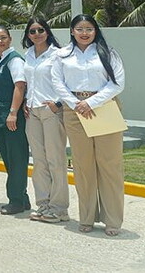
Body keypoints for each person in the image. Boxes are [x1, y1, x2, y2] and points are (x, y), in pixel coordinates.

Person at [50, 14, 126, 236]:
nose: (84, 33)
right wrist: (76, 104)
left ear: (95, 31)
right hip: (74, 112)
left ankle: (113, 220)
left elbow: (117, 83)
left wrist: (91, 102)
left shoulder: (108, 53)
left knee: (109, 165)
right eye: (80, 29)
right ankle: (87, 217)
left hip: (105, 108)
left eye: (89, 29)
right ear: (72, 31)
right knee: (83, 166)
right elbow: (58, 82)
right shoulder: (62, 55)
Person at [22, 16, 69, 224]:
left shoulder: (58, 54)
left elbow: (68, 81)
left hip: (51, 112)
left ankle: (59, 209)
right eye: (32, 31)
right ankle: (43, 204)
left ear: (47, 32)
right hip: (32, 112)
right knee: (39, 161)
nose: (36, 34)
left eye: (40, 30)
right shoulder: (28, 54)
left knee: (55, 160)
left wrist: (58, 103)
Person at [0, 25, 31, 215]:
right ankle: (23, 198)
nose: (0, 41)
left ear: (10, 39)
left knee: (16, 159)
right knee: (9, 158)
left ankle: (16, 201)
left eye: (3, 38)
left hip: (11, 117)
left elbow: (20, 86)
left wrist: (13, 112)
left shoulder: (14, 60)